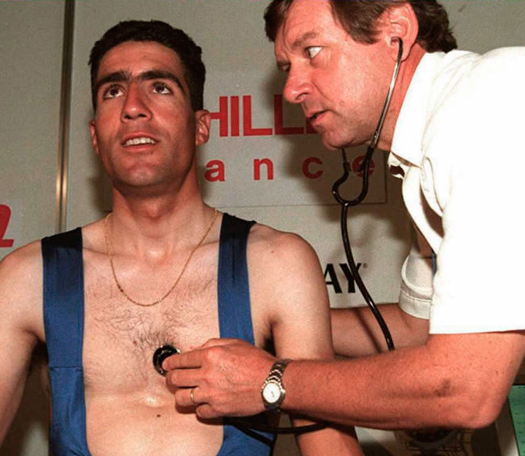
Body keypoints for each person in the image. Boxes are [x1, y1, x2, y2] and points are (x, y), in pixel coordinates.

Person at [0, 20, 362, 456]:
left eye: (160, 87)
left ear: (201, 126)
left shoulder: (276, 264)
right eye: (113, 91)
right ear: (95, 135)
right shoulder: (28, 278)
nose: (133, 107)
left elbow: (330, 447)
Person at [164, 0, 525, 430]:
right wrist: (260, 314)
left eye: (312, 51)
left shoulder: (487, 101)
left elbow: (464, 387)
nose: (291, 90)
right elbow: (416, 328)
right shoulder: (425, 156)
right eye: (287, 67)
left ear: (396, 31)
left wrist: (269, 381)